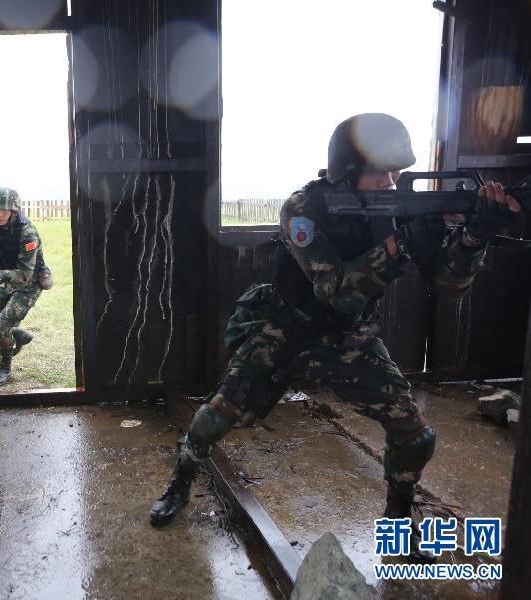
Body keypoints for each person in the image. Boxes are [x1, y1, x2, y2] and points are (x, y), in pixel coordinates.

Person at [148, 113, 520, 561]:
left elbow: (448, 284)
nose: (392, 180)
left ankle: (399, 523)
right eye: (380, 170)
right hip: (287, 329)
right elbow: (336, 291)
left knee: (415, 434)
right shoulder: (306, 208)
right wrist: (399, 245)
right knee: (218, 416)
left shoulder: (400, 210)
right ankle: (182, 478)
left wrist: (473, 236)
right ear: (346, 168)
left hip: (351, 339)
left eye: (397, 170)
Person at [0, 187, 54, 385]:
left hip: (28, 283)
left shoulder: (27, 232)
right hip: (6, 278)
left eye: (3, 211)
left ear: (14, 211)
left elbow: (24, 275)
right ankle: (16, 335)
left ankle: (5, 365)